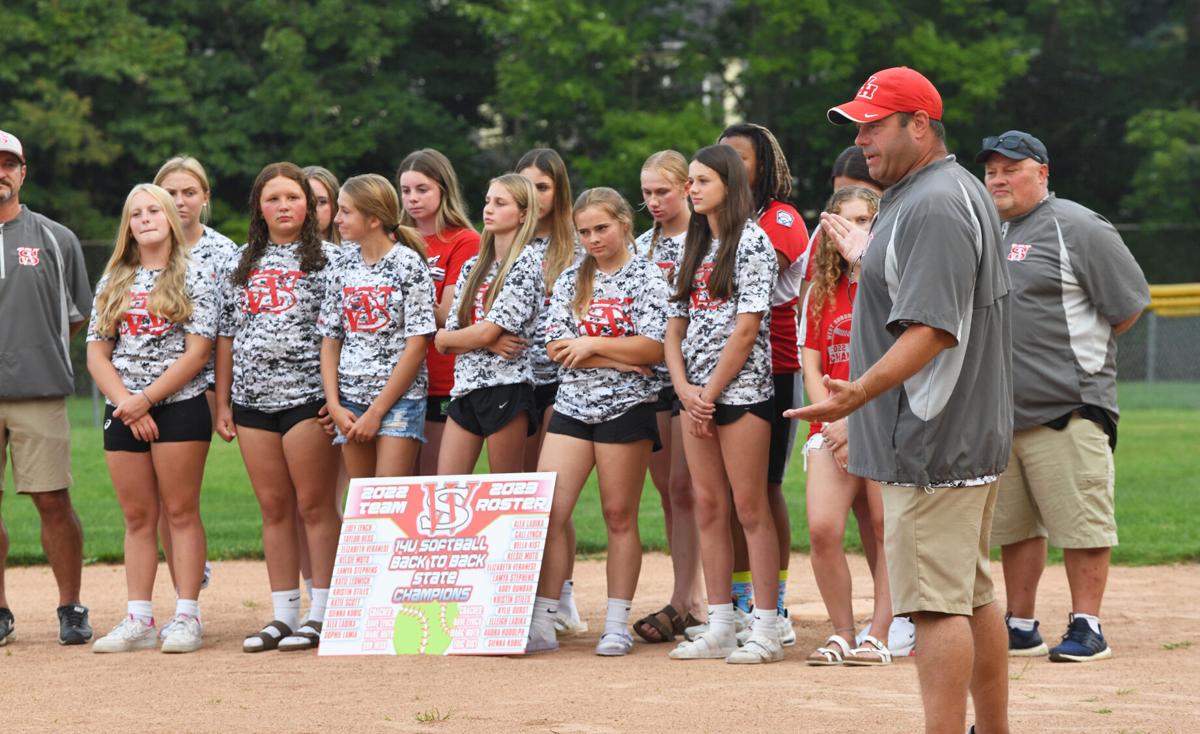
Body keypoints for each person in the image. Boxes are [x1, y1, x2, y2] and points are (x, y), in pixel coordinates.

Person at [791, 67, 1013, 733]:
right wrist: (871, 257)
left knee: (935, 608)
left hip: (932, 433)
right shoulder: (941, 192)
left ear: (920, 125)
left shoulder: (932, 203)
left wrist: (854, 394)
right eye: (858, 127)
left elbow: (934, 329)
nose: (863, 141)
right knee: (970, 597)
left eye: (875, 125)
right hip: (960, 430)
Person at [976, 130, 1149, 663]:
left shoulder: (1076, 225)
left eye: (1012, 168)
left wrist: (1078, 359)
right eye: (992, 172)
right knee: (1015, 524)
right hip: (1003, 410)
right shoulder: (986, 232)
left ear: (1043, 173)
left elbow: (1128, 304)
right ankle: (1021, 624)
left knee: (1081, 520)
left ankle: (1087, 624)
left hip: (1069, 404)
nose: (1000, 179)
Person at [526, 188, 668, 656]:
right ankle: (544, 618)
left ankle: (615, 623)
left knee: (618, 515)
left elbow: (654, 347)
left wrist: (591, 346)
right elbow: (555, 348)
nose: (592, 239)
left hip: (627, 408)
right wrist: (614, 353)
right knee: (549, 512)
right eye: (584, 231)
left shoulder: (648, 276)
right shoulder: (571, 279)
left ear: (625, 223)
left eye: (601, 228)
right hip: (572, 407)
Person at [215, 162, 341, 653]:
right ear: (259, 207)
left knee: (313, 504)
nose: (283, 206)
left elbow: (342, 335)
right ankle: (284, 613)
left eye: (292, 197)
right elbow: (227, 336)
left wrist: (336, 398)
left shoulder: (332, 260)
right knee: (273, 507)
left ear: (307, 205)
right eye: (273, 199)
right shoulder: (241, 261)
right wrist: (223, 402)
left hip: (307, 399)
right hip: (251, 401)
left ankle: (322, 611)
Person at [86, 184, 217, 653]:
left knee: (180, 512)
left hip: (179, 405)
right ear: (128, 225)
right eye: (136, 213)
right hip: (124, 409)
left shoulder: (197, 275)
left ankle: (187, 616)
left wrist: (146, 400)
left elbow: (198, 353)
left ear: (169, 218)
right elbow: (98, 356)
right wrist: (128, 403)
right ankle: (138, 617)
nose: (145, 219)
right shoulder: (114, 279)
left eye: (153, 211)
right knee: (138, 516)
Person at [665, 144, 781, 664]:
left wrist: (707, 394)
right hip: (697, 398)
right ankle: (719, 624)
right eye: (689, 180)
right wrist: (685, 389)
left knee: (750, 508)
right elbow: (674, 328)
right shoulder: (692, 245)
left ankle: (767, 628)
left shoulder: (752, 243)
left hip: (742, 395)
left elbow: (747, 328)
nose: (692, 189)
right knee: (708, 506)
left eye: (701, 180)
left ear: (729, 187)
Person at [0, 130, 94, 646]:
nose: (1, 173)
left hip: (38, 391)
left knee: (53, 500)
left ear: (22, 172)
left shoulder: (56, 238)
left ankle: (70, 606)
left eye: (8, 164)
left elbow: (74, 317)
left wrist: (33, 350)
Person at [717, 123, 808, 646]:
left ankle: (773, 603)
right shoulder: (714, 222)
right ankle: (735, 595)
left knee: (764, 490)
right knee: (725, 494)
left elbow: (732, 282)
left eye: (740, 157)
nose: (730, 164)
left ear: (763, 167)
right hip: (717, 369)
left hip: (772, 368)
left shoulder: (782, 219)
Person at [799, 186, 894, 666]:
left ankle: (882, 631)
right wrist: (832, 418)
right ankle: (842, 631)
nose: (851, 230)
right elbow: (812, 365)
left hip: (881, 422)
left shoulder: (890, 283)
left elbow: (899, 363)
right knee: (822, 528)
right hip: (831, 424)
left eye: (863, 220)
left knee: (884, 526)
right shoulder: (819, 290)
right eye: (842, 221)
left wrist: (857, 420)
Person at [152, 154, 233, 620]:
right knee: (165, 498)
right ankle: (185, 584)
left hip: (207, 385)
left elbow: (230, 332)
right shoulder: (143, 246)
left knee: (180, 499)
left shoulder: (225, 253)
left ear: (205, 197)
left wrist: (221, 398)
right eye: (171, 192)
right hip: (154, 390)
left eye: (189, 192)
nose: (180, 201)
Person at [629, 150, 704, 643]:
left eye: (663, 192)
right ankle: (686, 596)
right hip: (648, 377)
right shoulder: (638, 246)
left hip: (694, 376)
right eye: (647, 193)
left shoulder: (705, 239)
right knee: (670, 493)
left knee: (689, 487)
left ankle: (693, 599)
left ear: (685, 189)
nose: (653, 202)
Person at [320, 174, 436, 479]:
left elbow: (417, 346)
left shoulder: (408, 265)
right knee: (361, 504)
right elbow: (331, 340)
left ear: (373, 219)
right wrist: (334, 404)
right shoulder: (341, 265)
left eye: (346, 211)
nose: (337, 219)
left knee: (388, 502)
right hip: (350, 399)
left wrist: (376, 412)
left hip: (399, 401)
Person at [515, 148, 587, 637]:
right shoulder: (504, 241)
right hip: (516, 378)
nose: (533, 196)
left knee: (553, 493)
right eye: (525, 186)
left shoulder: (577, 247)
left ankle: (562, 595)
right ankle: (520, 592)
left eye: (542, 186)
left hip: (563, 378)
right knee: (524, 487)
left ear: (558, 190)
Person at [433, 173, 543, 476]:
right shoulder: (473, 265)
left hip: (505, 387)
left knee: (504, 492)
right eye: (487, 201)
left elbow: (483, 330)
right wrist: (485, 338)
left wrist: (475, 336)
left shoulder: (526, 261)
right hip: (464, 387)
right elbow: (443, 340)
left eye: (500, 203)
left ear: (522, 214)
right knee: (447, 490)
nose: (488, 209)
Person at [396, 149, 481, 475]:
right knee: (397, 490)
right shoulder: (395, 241)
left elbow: (449, 314)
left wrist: (394, 304)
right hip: (396, 378)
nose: (413, 199)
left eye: (422, 189)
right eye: (405, 191)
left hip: (442, 380)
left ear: (443, 189)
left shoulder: (465, 240)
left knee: (436, 486)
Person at [303, 166, 342, 246]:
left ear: (335, 205)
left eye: (322, 202)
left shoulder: (354, 253)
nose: (312, 209)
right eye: (306, 201)